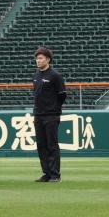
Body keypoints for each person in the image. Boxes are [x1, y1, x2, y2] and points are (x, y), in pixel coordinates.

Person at [33, 46, 66, 183]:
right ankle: (46, 173)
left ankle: (55, 174)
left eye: (40, 58)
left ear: (48, 59)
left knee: (52, 145)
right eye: (37, 58)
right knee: (41, 145)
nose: (38, 61)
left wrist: (54, 109)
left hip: (51, 115)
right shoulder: (36, 75)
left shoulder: (55, 75)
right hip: (38, 115)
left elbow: (62, 95)